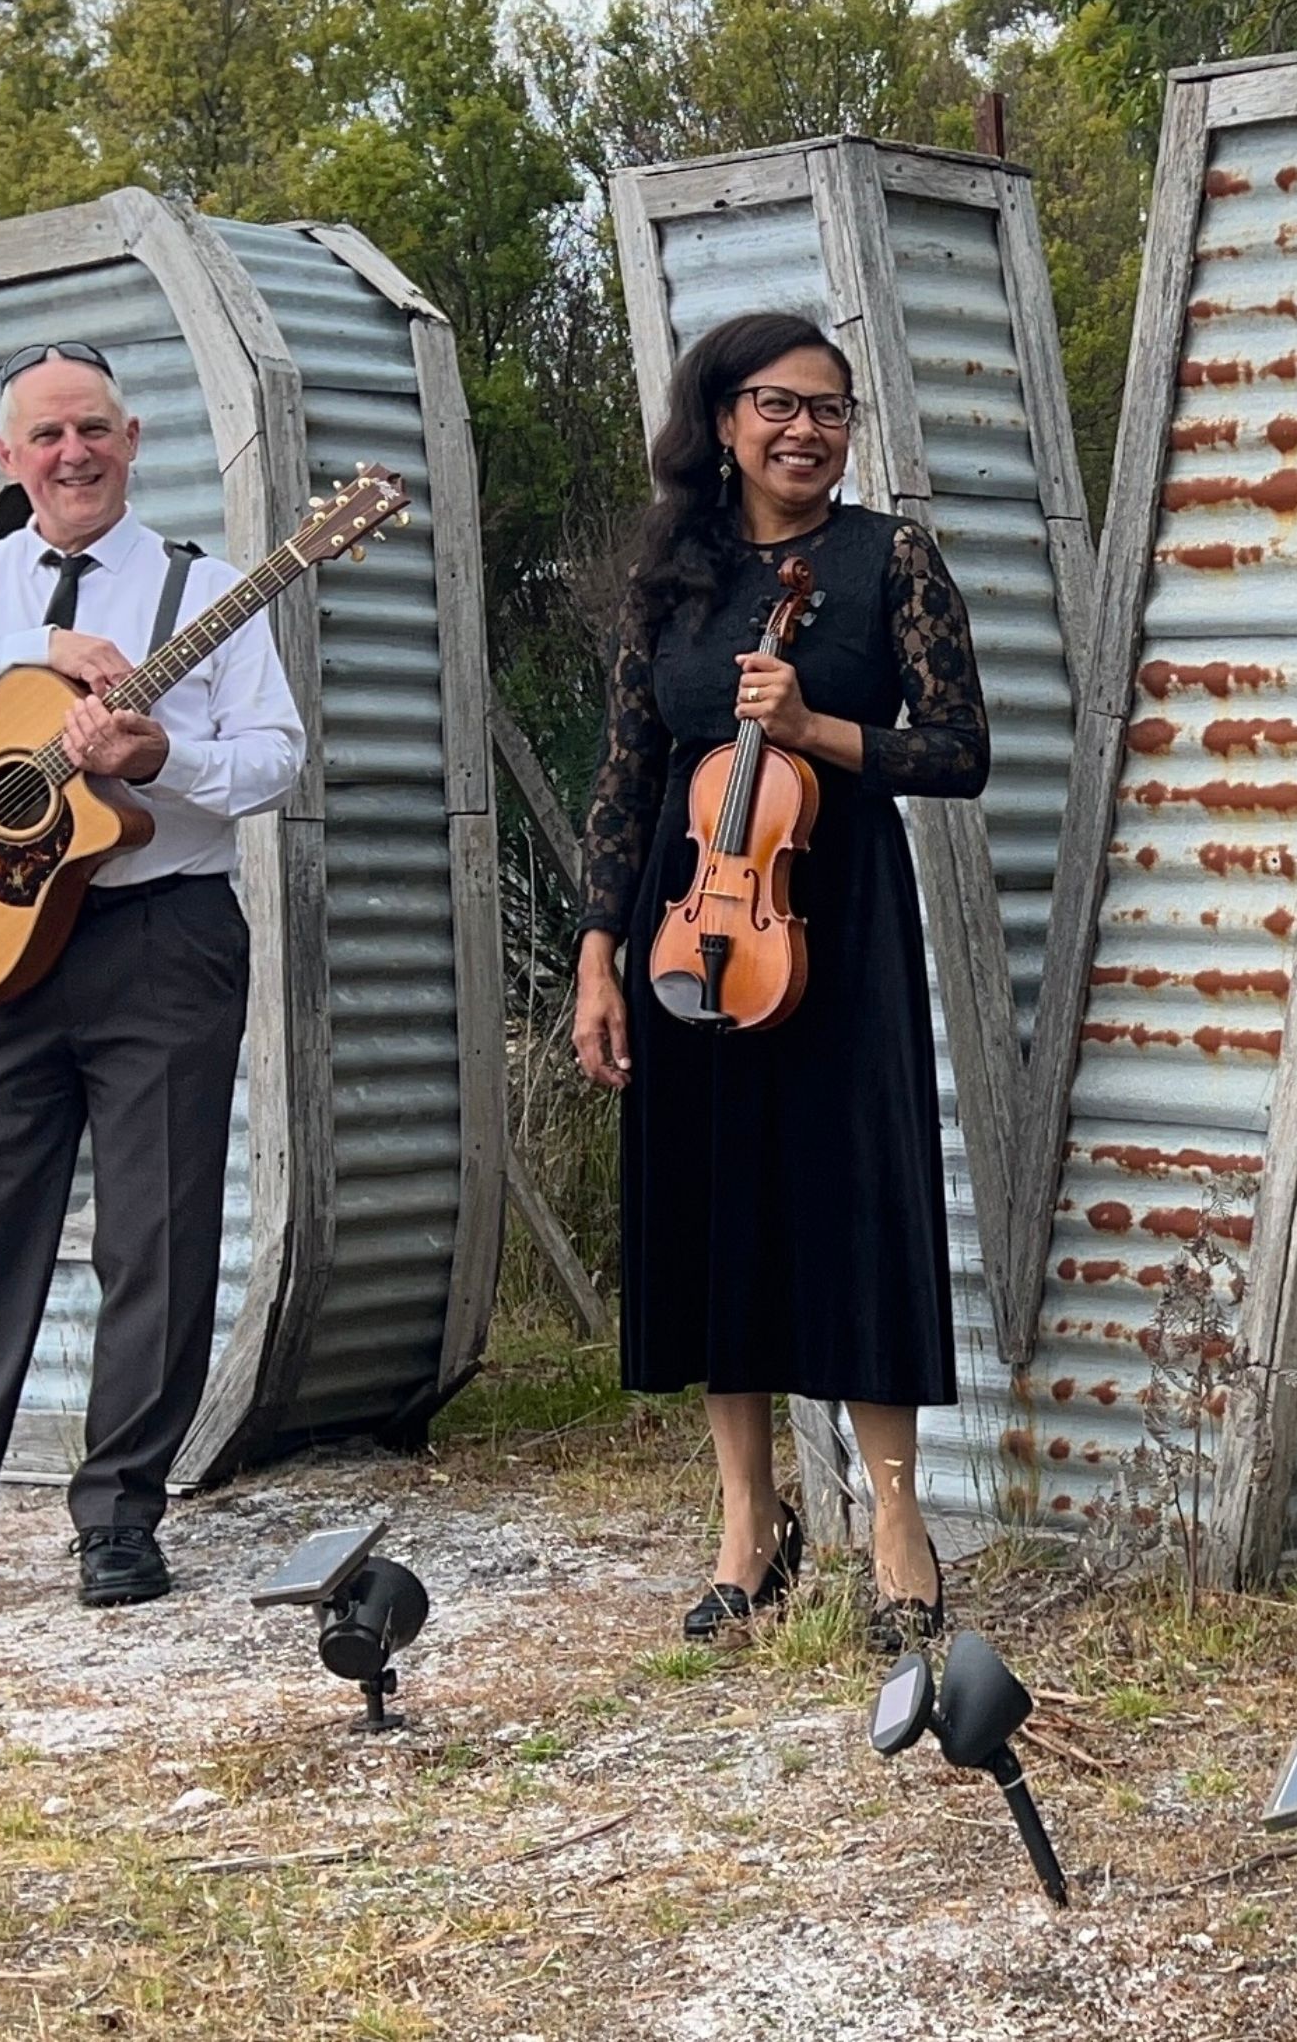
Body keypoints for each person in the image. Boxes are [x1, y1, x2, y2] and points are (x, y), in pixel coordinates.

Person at [0, 339, 304, 1627]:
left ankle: (120, 1520)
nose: (72, 454)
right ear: (9, 458)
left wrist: (161, 754)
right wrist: (36, 652)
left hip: (162, 938)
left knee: (159, 1235)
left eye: (93, 429)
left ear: (133, 439)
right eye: (46, 437)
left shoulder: (206, 589)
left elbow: (276, 759)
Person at [559, 311, 987, 1652]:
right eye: (775, 405)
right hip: (694, 931)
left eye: (829, 409)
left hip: (840, 918)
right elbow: (630, 778)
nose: (804, 429)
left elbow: (961, 750)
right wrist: (598, 954)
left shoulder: (884, 559)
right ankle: (752, 1528)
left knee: (855, 1208)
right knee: (716, 1217)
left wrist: (815, 730)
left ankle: (899, 1525)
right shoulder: (670, 576)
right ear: (724, 421)